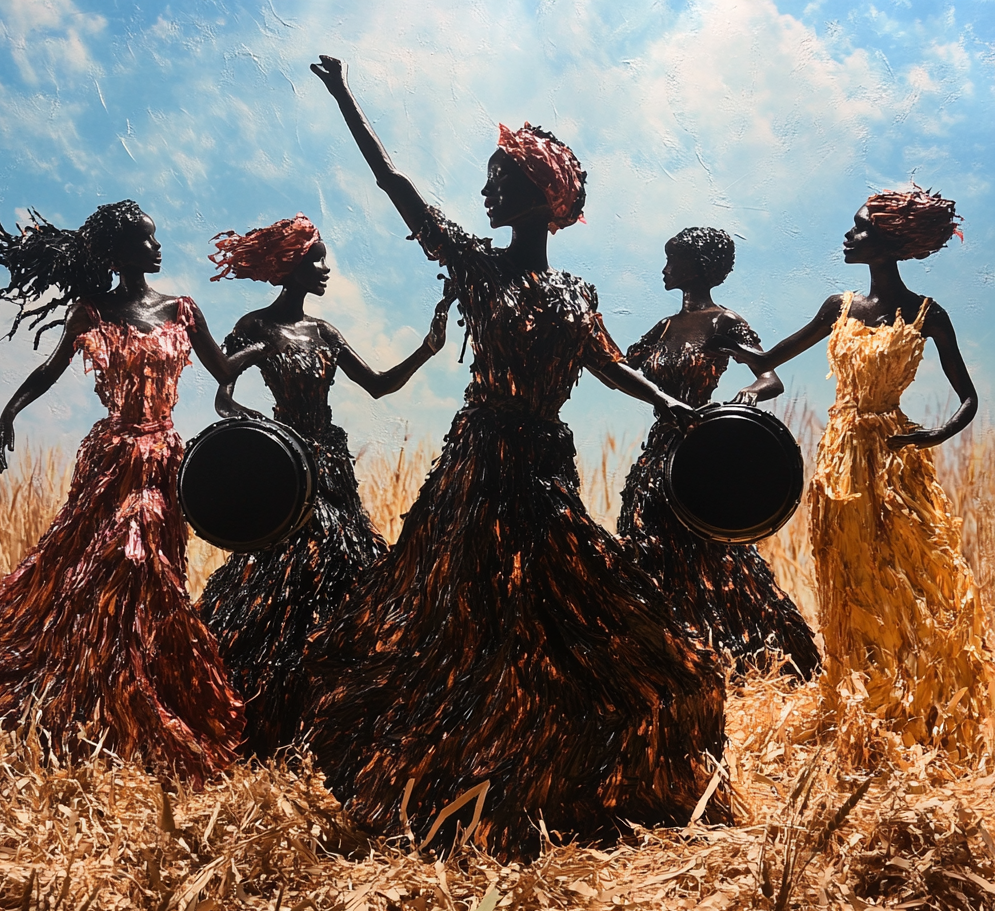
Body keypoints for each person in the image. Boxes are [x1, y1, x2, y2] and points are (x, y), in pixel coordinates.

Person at [298, 56, 729, 860]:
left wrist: (675, 406)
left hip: (539, 469)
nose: (486, 193)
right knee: (453, 617)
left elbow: (609, 365)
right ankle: (447, 778)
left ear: (538, 196)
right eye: (487, 180)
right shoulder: (475, 265)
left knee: (565, 614)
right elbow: (396, 187)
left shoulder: (574, 293)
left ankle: (552, 774)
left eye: (500, 180)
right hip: (474, 469)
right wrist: (344, 97)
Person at [0, 200, 252, 782]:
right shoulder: (93, 311)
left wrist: (266, 350)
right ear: (121, 252)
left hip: (164, 459)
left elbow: (224, 372)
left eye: (154, 239)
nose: (156, 247)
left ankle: (137, 696)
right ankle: (103, 695)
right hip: (112, 459)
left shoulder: (182, 310)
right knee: (110, 565)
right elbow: (51, 370)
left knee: (152, 577)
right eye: (145, 241)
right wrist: (9, 413)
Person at [715, 187, 994, 757]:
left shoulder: (925, 313)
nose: (849, 236)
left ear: (890, 242)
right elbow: (769, 361)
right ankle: (858, 703)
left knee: (910, 577)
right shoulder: (836, 307)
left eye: (860, 228)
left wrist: (932, 435)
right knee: (848, 574)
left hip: (895, 459)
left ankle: (925, 702)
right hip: (841, 460)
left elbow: (966, 398)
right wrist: (728, 338)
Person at [197, 213, 453, 757]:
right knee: (281, 584)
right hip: (286, 473)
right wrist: (261, 430)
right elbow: (224, 395)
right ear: (289, 266)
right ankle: (266, 708)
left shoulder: (325, 333)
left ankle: (337, 713)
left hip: (330, 469)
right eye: (315, 259)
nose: (325, 269)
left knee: (349, 571)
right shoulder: (256, 328)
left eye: (324, 259)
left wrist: (429, 348)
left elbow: (380, 386)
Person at [618, 227, 820, 681]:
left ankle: (757, 655)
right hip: (658, 453)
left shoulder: (722, 322)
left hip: (698, 448)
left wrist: (748, 393)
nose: (665, 269)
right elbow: (620, 368)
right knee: (650, 546)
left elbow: (770, 376)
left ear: (699, 267)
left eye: (674, 260)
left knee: (709, 553)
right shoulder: (664, 326)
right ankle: (671, 655)